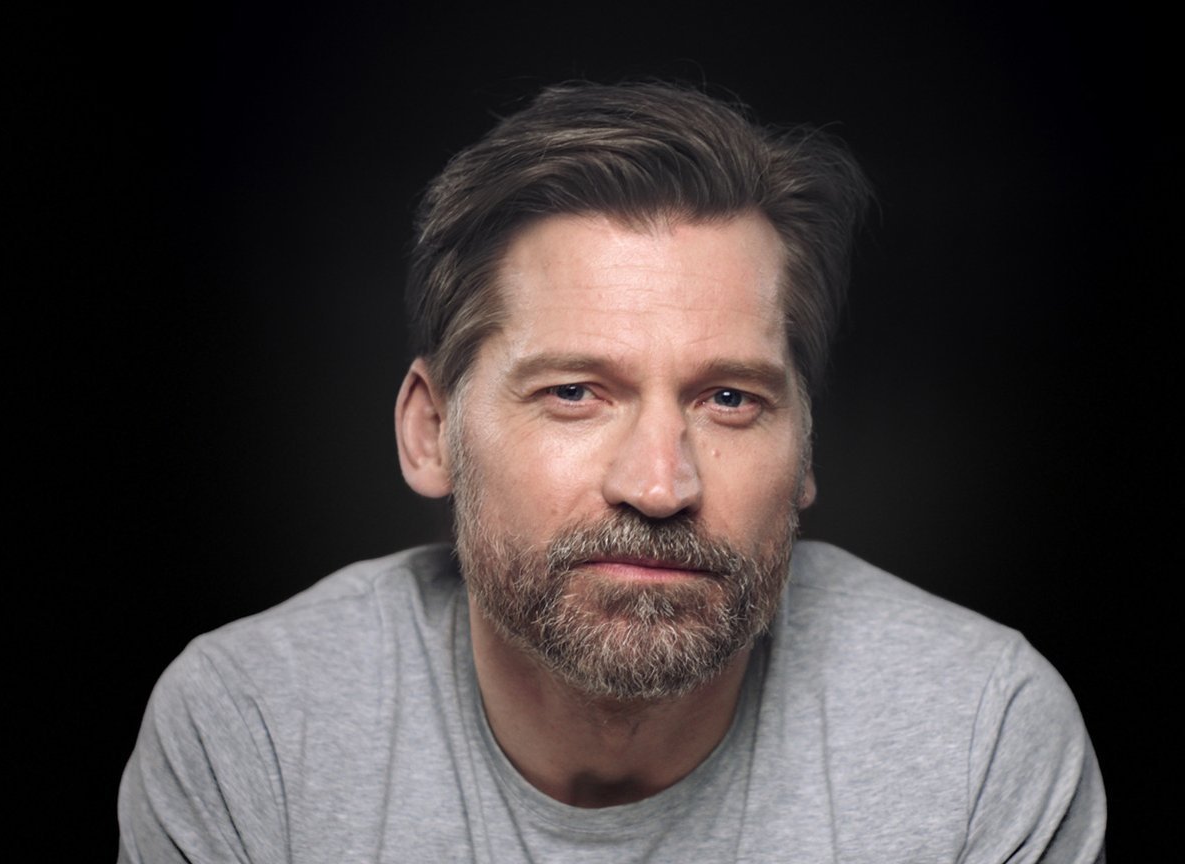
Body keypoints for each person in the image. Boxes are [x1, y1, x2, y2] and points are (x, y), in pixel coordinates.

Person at [117, 81, 1106, 863]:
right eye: (575, 393)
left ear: (805, 449)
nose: (660, 486)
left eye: (729, 399)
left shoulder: (981, 731)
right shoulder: (250, 729)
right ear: (431, 432)